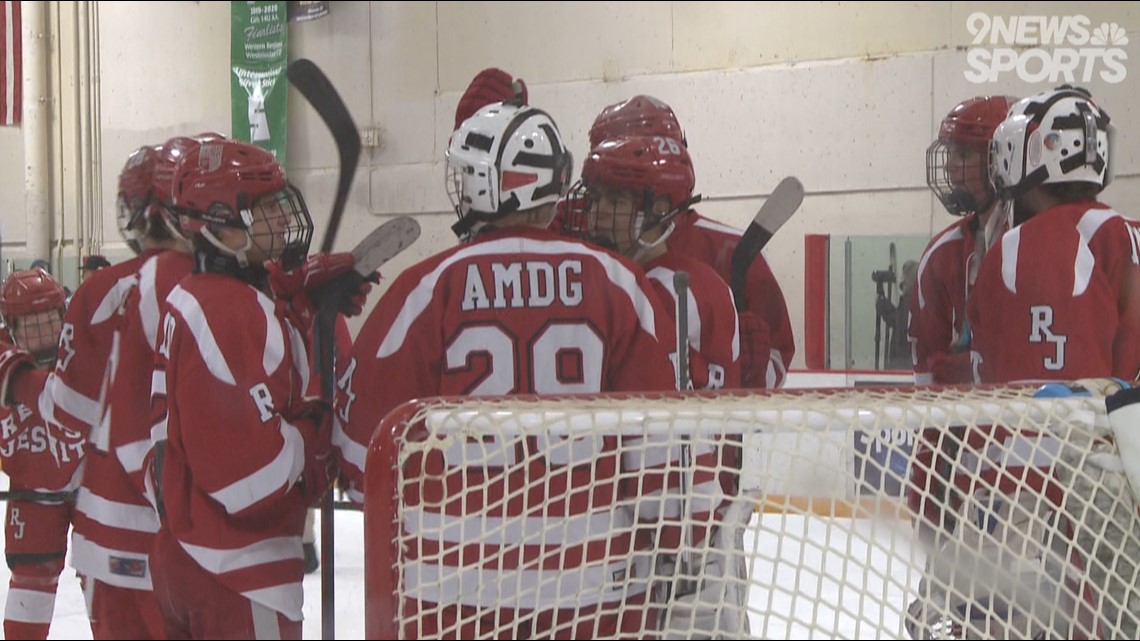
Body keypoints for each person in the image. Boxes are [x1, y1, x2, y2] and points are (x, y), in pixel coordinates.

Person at [335, 101, 677, 638]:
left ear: (484, 185)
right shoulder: (621, 284)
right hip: (594, 593)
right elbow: (662, 462)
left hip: (450, 595)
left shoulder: (424, 289)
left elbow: (362, 461)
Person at [146, 138, 368, 639]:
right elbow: (249, 480)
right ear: (219, 224)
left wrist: (304, 310)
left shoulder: (204, 296)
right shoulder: (230, 311)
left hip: (190, 557)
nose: (280, 219)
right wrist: (315, 434)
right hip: (236, 573)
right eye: (264, 208)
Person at [568, 134, 750, 637]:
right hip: (645, 538)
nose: (600, 213)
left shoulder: (687, 291)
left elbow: (710, 419)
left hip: (680, 546)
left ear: (660, 210)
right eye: (598, 198)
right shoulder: (603, 282)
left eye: (618, 201)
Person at [68, 136, 209, 640]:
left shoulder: (96, 292)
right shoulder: (195, 283)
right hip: (174, 529)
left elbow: (68, 416)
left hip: (105, 532)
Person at [588, 95, 794, 389]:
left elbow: (777, 364)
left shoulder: (730, 249)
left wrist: (753, 370)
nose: (599, 209)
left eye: (615, 194)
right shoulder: (582, 233)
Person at [969, 85, 1138, 383]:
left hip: (1068, 428)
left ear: (1028, 150)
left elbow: (1043, 413)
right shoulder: (1127, 232)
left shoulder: (1028, 246)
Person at [908, 95, 1017, 384]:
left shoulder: (1041, 247)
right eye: (951, 154)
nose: (950, 167)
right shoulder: (942, 255)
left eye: (965, 155)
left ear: (1003, 160)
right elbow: (928, 365)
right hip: (963, 425)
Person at [0, 269, 81, 640]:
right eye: (29, 324)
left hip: (94, 490)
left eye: (47, 320)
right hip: (32, 493)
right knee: (32, 580)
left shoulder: (85, 350)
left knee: (111, 584)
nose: (41, 333)